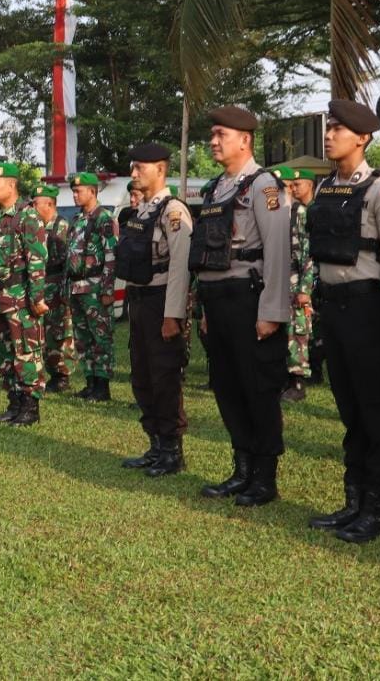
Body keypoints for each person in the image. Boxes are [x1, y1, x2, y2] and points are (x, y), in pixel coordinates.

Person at [306, 99, 380, 543]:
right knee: (349, 409)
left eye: (338, 129)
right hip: (332, 307)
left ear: (362, 137)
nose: (329, 135)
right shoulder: (326, 186)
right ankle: (352, 500)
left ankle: (375, 507)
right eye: (328, 128)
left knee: (374, 410)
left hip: (367, 309)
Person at [192, 106, 294, 501]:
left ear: (245, 140)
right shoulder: (217, 187)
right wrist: (203, 309)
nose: (214, 141)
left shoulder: (264, 186)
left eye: (221, 134)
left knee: (258, 389)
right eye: (213, 134)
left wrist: (271, 311)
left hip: (249, 300)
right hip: (217, 301)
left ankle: (265, 477)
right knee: (227, 387)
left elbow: (277, 252)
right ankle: (242, 468)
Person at [115, 143, 193, 475]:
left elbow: (180, 266)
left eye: (139, 168)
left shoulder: (172, 211)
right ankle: (155, 445)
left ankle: (172, 452)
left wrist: (172, 315)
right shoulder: (141, 212)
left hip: (162, 300)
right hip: (140, 300)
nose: (133, 174)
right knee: (143, 375)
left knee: (164, 377)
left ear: (160, 170)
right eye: (133, 168)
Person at [0, 162, 49, 425]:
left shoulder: (27, 216)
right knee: (3, 353)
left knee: (26, 351)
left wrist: (36, 299)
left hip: (20, 297)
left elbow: (36, 260)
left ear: (11, 185)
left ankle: (30, 408)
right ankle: (14, 403)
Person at [65, 171, 118, 401]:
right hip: (77, 287)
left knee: (100, 337)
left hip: (95, 287)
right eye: (74, 191)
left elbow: (111, 256)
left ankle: (102, 386)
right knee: (82, 337)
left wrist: (107, 290)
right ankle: (90, 382)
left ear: (92, 191)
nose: (75, 195)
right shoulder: (77, 220)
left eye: (78, 191)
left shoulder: (104, 218)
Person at [271, 159, 319, 403]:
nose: (280, 191)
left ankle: (298, 383)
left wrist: (304, 288)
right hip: (274, 283)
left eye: (284, 187)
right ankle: (281, 380)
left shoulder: (299, 213)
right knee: (278, 333)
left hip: (295, 281)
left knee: (297, 332)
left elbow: (309, 253)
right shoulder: (272, 214)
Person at [32, 184, 75, 392]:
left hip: (57, 286)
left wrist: (64, 292)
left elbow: (69, 261)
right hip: (42, 286)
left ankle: (62, 375)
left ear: (49, 203)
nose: (32, 206)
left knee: (60, 332)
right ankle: (50, 372)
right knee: (45, 334)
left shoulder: (62, 227)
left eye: (36, 203)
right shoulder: (37, 227)